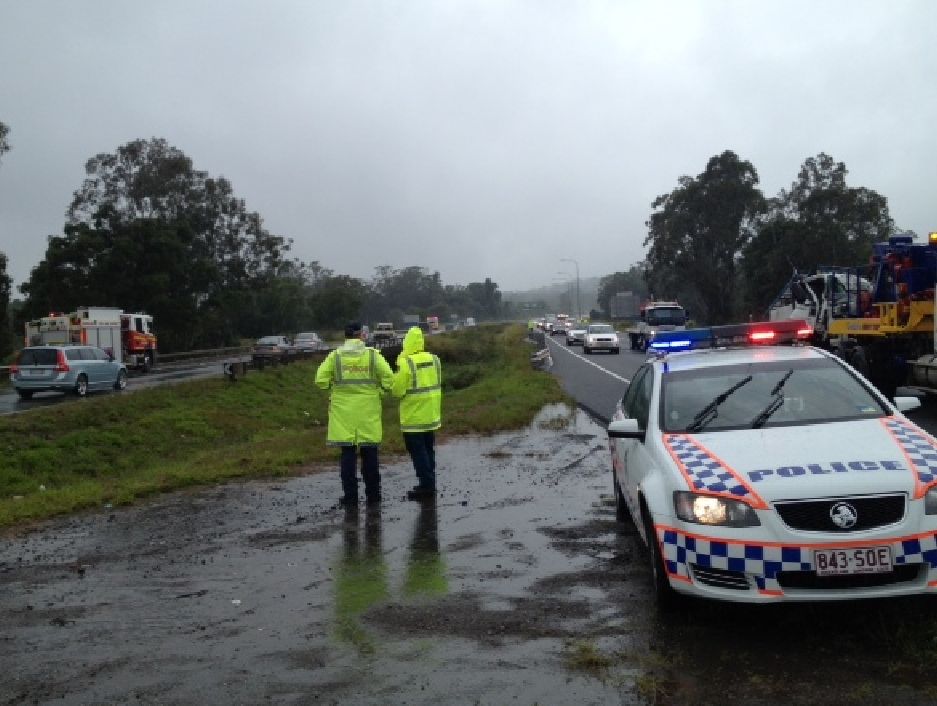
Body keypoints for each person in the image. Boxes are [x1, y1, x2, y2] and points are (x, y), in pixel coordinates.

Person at [315, 321, 394, 507]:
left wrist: (333, 391)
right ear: (362, 336)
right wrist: (379, 392)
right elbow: (389, 379)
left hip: (343, 412)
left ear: (346, 336)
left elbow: (320, 380)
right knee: (370, 453)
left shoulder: (335, 356)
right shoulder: (373, 356)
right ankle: (374, 496)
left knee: (347, 454)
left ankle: (350, 498)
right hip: (368, 410)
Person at [392, 326, 442, 501]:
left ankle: (426, 486)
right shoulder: (434, 359)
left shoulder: (406, 363)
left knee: (418, 452)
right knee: (428, 450)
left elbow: (397, 391)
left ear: (407, 342)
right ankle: (430, 481)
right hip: (431, 414)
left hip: (413, 417)